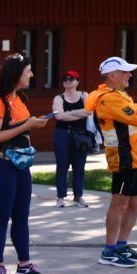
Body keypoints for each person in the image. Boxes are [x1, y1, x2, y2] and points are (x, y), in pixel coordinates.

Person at [0, 54, 50, 274]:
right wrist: (27, 125)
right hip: (1, 164)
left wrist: (33, 124)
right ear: (16, 74)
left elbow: (21, 127)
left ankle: (24, 264)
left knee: (21, 216)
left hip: (21, 165)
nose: (31, 74)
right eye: (28, 71)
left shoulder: (19, 98)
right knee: (1, 217)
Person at [87, 57, 137, 268]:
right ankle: (109, 251)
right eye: (125, 72)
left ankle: (122, 246)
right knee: (119, 203)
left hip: (133, 159)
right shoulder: (110, 99)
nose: (129, 75)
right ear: (112, 76)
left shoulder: (119, 94)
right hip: (123, 159)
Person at [52, 69, 93, 208]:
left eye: (71, 79)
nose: (68, 81)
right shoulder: (58, 98)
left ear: (77, 81)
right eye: (65, 79)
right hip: (62, 134)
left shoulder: (84, 95)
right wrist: (79, 114)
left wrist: (69, 113)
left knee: (79, 166)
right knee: (62, 165)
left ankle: (78, 196)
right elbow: (59, 116)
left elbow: (89, 111)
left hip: (80, 134)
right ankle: (60, 197)